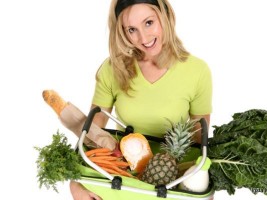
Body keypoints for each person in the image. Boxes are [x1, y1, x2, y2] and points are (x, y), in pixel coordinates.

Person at [70, 0, 213, 199]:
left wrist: (202, 187)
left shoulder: (197, 71)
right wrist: (77, 182)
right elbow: (92, 132)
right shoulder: (113, 69)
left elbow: (199, 140)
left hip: (171, 181)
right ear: (122, 32)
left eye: (148, 23)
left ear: (165, 16)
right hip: (120, 175)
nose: (143, 38)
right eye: (131, 29)